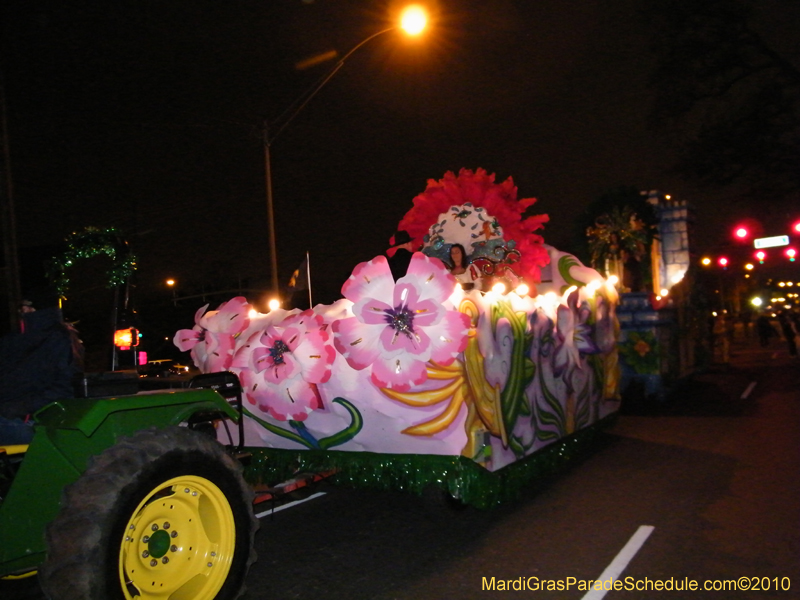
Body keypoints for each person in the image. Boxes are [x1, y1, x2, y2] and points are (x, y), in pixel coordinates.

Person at [0, 288, 84, 444]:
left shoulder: (60, 339)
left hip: (35, 421)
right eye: (22, 307)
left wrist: (21, 407)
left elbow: (66, 389)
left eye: (28, 307)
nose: (23, 311)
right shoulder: (14, 341)